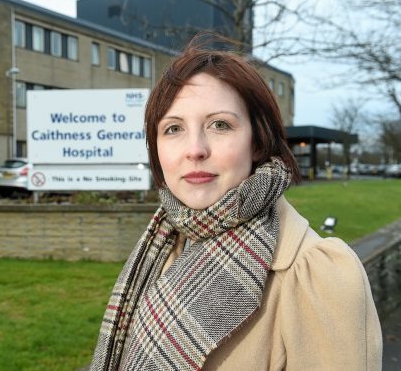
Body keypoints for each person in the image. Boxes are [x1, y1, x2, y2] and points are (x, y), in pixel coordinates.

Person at [90, 38, 382, 371]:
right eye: (173, 129)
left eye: (220, 125)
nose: (195, 149)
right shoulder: (164, 244)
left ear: (257, 142)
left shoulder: (318, 275)